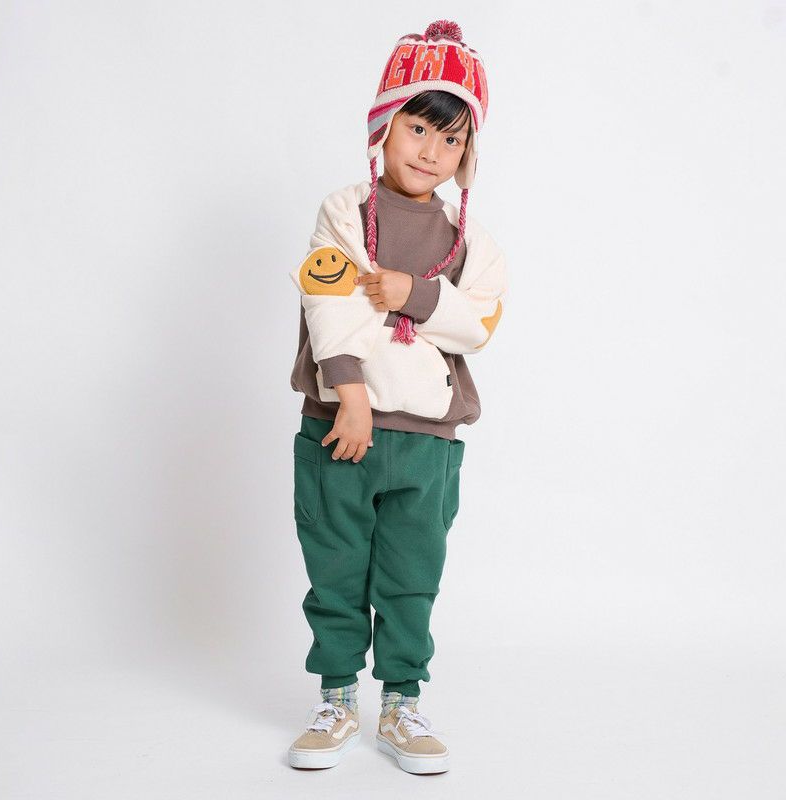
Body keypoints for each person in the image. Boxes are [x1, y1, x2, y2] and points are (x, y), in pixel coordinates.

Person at [287, 19, 506, 774]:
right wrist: (350, 394)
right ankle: (337, 697)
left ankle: (402, 702)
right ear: (385, 125)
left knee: (412, 574)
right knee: (336, 566)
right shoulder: (345, 211)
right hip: (340, 427)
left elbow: (479, 323)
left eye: (451, 140)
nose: (430, 151)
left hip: (426, 437)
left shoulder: (469, 240)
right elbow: (330, 299)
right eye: (418, 128)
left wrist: (412, 293)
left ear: (466, 156)